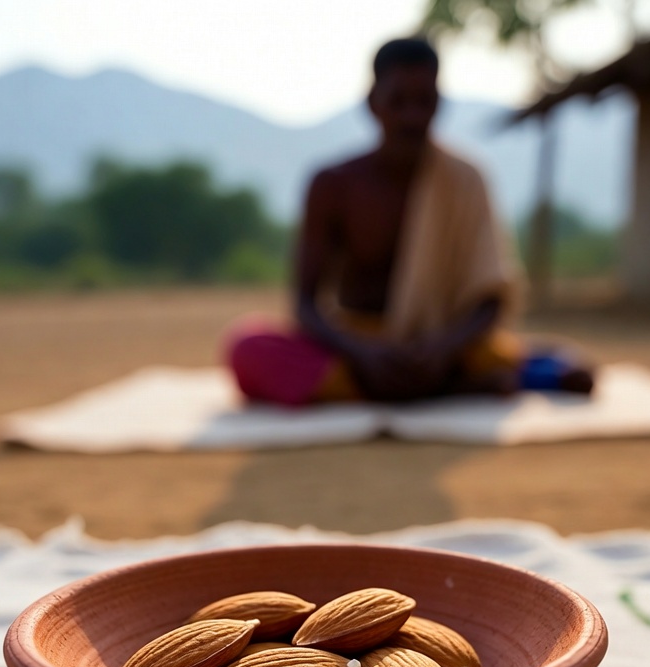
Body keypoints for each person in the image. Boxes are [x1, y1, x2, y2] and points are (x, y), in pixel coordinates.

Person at [226, 37, 593, 406]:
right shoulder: (333, 184)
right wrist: (364, 353)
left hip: (439, 345)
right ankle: (454, 388)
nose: (412, 117)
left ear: (440, 105)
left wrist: (441, 350)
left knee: (533, 361)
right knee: (247, 349)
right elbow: (306, 306)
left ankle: (429, 381)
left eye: (425, 102)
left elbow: (491, 298)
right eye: (398, 101)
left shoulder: (465, 179)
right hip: (358, 346)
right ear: (373, 103)